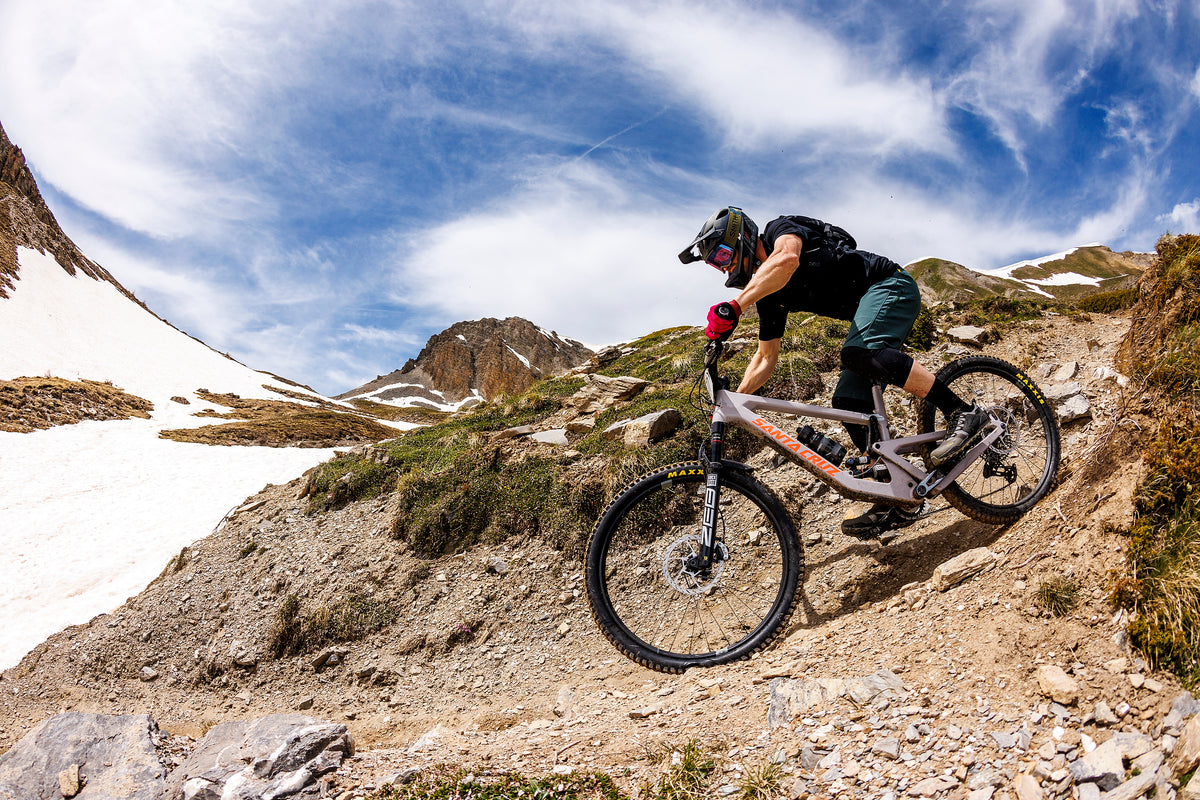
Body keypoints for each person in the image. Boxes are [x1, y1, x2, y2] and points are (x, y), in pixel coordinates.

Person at [678, 207, 987, 537]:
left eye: (722, 254)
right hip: (869, 312)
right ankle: (895, 491)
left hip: (891, 286)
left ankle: (963, 412)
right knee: (848, 401)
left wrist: (737, 306)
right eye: (715, 263)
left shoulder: (779, 230)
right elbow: (766, 358)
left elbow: (786, 260)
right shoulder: (770, 297)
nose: (722, 265)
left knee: (857, 353)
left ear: (741, 237)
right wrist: (731, 405)